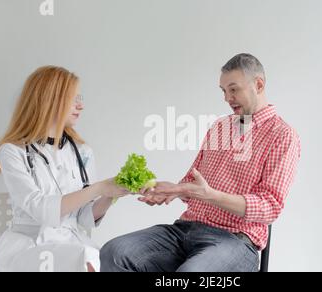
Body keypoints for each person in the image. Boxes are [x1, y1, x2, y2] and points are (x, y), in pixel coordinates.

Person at [100, 53, 301, 272]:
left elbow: (269, 207)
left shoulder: (282, 135)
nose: (227, 98)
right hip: (185, 230)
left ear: (259, 84)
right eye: (223, 91)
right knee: (114, 252)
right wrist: (175, 190)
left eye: (234, 89)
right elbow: (194, 183)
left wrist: (211, 195)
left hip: (234, 240)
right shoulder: (220, 127)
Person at [0, 66, 131, 272]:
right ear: (49, 100)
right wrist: (99, 188)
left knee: (110, 260)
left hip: (70, 240)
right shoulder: (12, 151)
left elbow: (83, 217)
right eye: (73, 98)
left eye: (79, 98)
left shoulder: (83, 151)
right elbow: (40, 210)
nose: (80, 105)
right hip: (30, 245)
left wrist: (110, 194)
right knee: (86, 259)